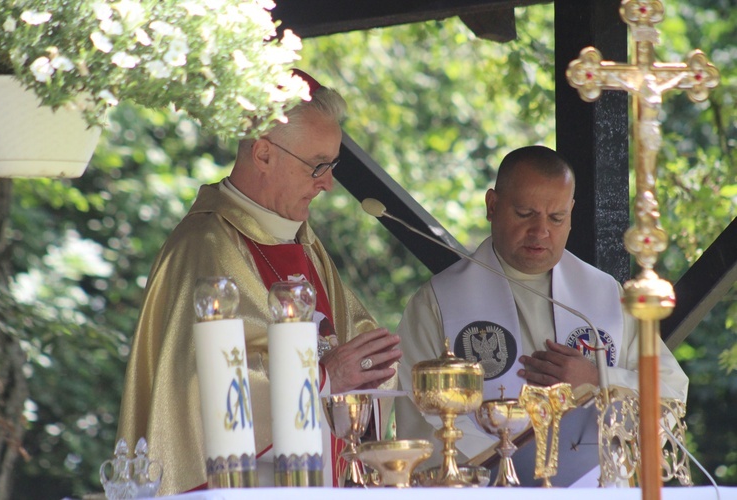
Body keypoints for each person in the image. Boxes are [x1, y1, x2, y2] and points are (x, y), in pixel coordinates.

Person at [117, 70, 401, 495]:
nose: (327, 183)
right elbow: (195, 389)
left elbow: (354, 348)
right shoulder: (204, 245)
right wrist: (322, 381)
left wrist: (372, 368)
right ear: (264, 154)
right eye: (318, 166)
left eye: (332, 166)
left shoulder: (304, 243)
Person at [395, 145, 688, 472]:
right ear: (492, 206)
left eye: (556, 217)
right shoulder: (437, 303)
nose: (541, 231)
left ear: (571, 213)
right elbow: (423, 412)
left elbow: (672, 395)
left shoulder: (606, 295)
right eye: (525, 214)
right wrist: (519, 471)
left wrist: (597, 380)